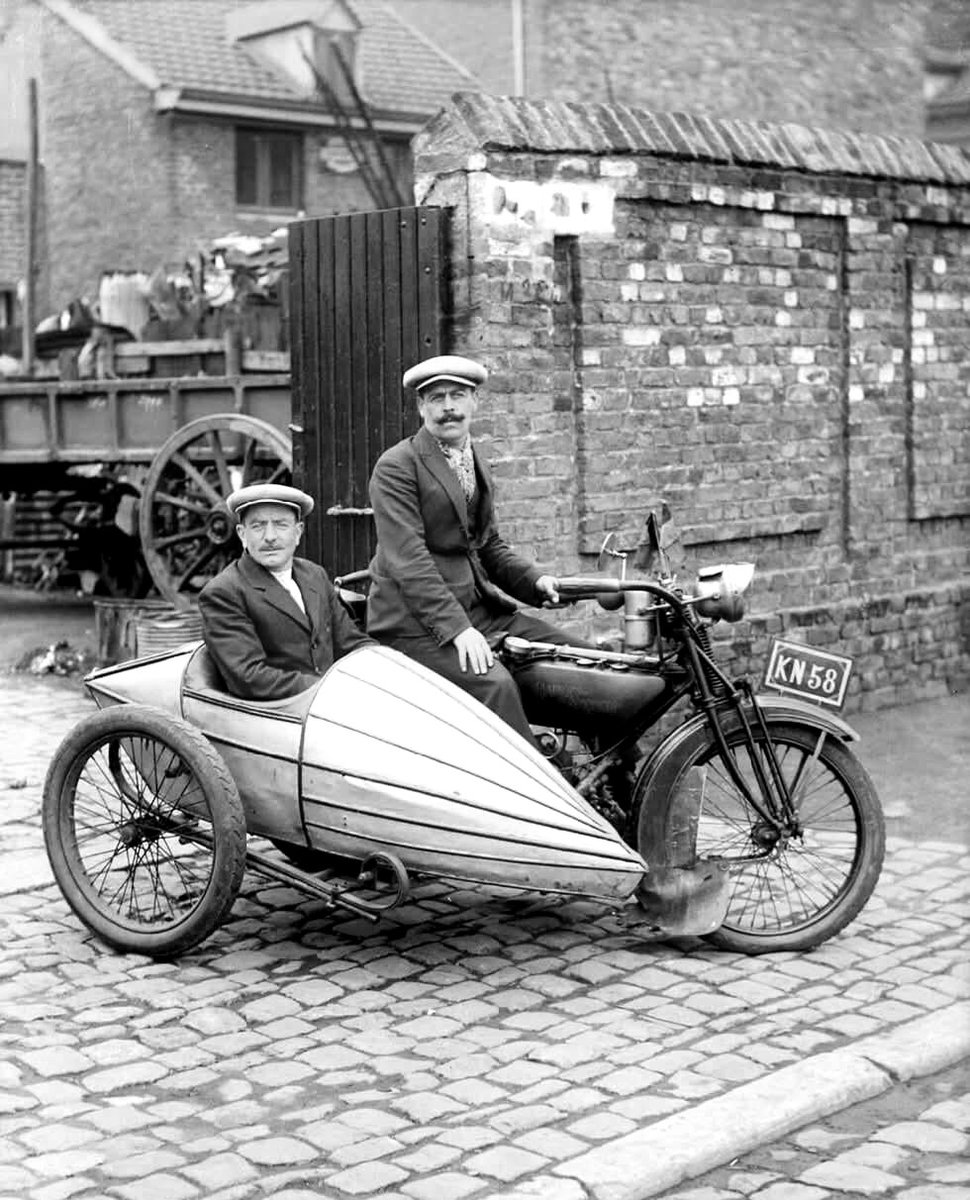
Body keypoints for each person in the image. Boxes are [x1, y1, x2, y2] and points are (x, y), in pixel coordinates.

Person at [366, 354, 590, 743]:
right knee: (495, 687)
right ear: (421, 406)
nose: (448, 407)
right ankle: (535, 792)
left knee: (585, 662)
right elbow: (409, 561)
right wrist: (456, 629)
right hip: (416, 625)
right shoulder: (397, 467)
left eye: (457, 395)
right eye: (436, 398)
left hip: (481, 612)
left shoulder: (472, 460)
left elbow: (487, 545)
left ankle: (616, 778)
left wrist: (536, 583)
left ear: (474, 402)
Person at [198, 483, 372, 700]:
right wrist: (334, 689)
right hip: (278, 719)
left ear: (298, 532)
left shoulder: (314, 574)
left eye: (281, 525)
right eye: (258, 526)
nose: (270, 537)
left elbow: (350, 641)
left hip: (329, 706)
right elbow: (250, 679)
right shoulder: (223, 592)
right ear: (242, 535)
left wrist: (381, 664)